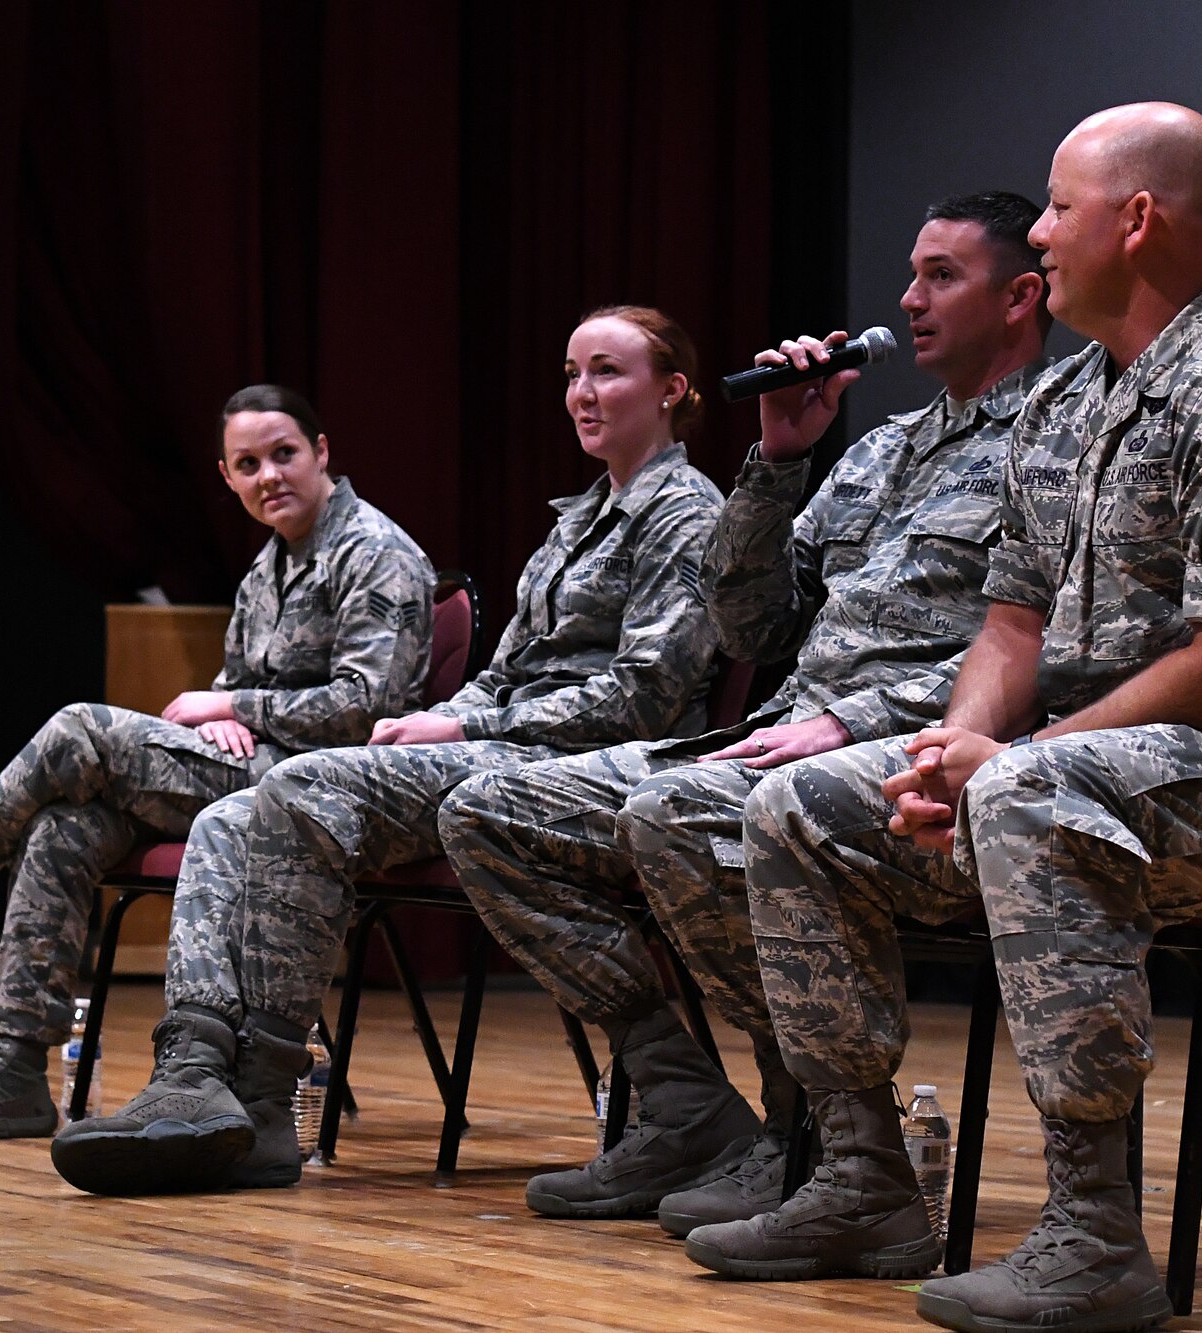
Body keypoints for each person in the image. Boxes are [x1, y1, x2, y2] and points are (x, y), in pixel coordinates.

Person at [714, 103, 1202, 1328]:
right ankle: (861, 1178)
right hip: (1089, 774)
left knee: (1029, 795)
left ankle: (1091, 1235)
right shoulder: (1060, 403)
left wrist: (1009, 761)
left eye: (1058, 207)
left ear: (1135, 222)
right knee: (801, 803)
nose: (1036, 232)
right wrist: (943, 750)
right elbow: (1010, 625)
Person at [438, 192, 1052, 1271]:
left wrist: (848, 719)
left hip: (924, 754)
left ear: (1019, 298)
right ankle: (695, 1111)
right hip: (785, 736)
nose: (906, 299)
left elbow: (1041, 639)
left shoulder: (1059, 441)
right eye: (909, 273)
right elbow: (749, 622)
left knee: (676, 813)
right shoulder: (879, 452)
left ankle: (819, 1141)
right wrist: (776, 461)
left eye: (940, 276)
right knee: (490, 809)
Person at [48, 306, 726, 1196]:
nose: (582, 393)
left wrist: (467, 725)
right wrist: (446, 713)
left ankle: (255, 1104)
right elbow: (505, 672)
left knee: (300, 782)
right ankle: (195, 1073)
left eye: (607, 371)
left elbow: (647, 693)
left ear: (672, 390)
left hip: (577, 766)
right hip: (502, 745)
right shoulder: (577, 519)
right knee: (228, 815)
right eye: (570, 373)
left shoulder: (687, 510)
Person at [0, 385, 437, 1141]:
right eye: (248, 464)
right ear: (226, 476)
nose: (269, 476)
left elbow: (368, 705)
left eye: (284, 454)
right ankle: (17, 1070)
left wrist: (234, 709)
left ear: (321, 451)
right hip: (245, 774)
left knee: (80, 728)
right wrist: (225, 713)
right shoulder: (266, 570)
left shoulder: (376, 551)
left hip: (319, 791)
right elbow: (228, 695)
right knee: (64, 825)